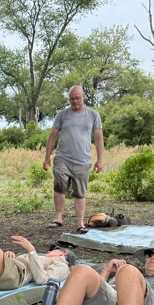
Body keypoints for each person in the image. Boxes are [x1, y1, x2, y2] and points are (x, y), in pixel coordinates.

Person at [42, 85, 105, 234]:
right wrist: (47, 157)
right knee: (59, 184)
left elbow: (99, 138)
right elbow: (52, 136)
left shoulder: (93, 115)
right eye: (71, 99)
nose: (75, 101)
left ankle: (80, 223)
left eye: (77, 98)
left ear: (83, 96)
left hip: (82, 160)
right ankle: (58, 218)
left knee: (80, 192)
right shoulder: (62, 115)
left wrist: (100, 160)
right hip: (63, 157)